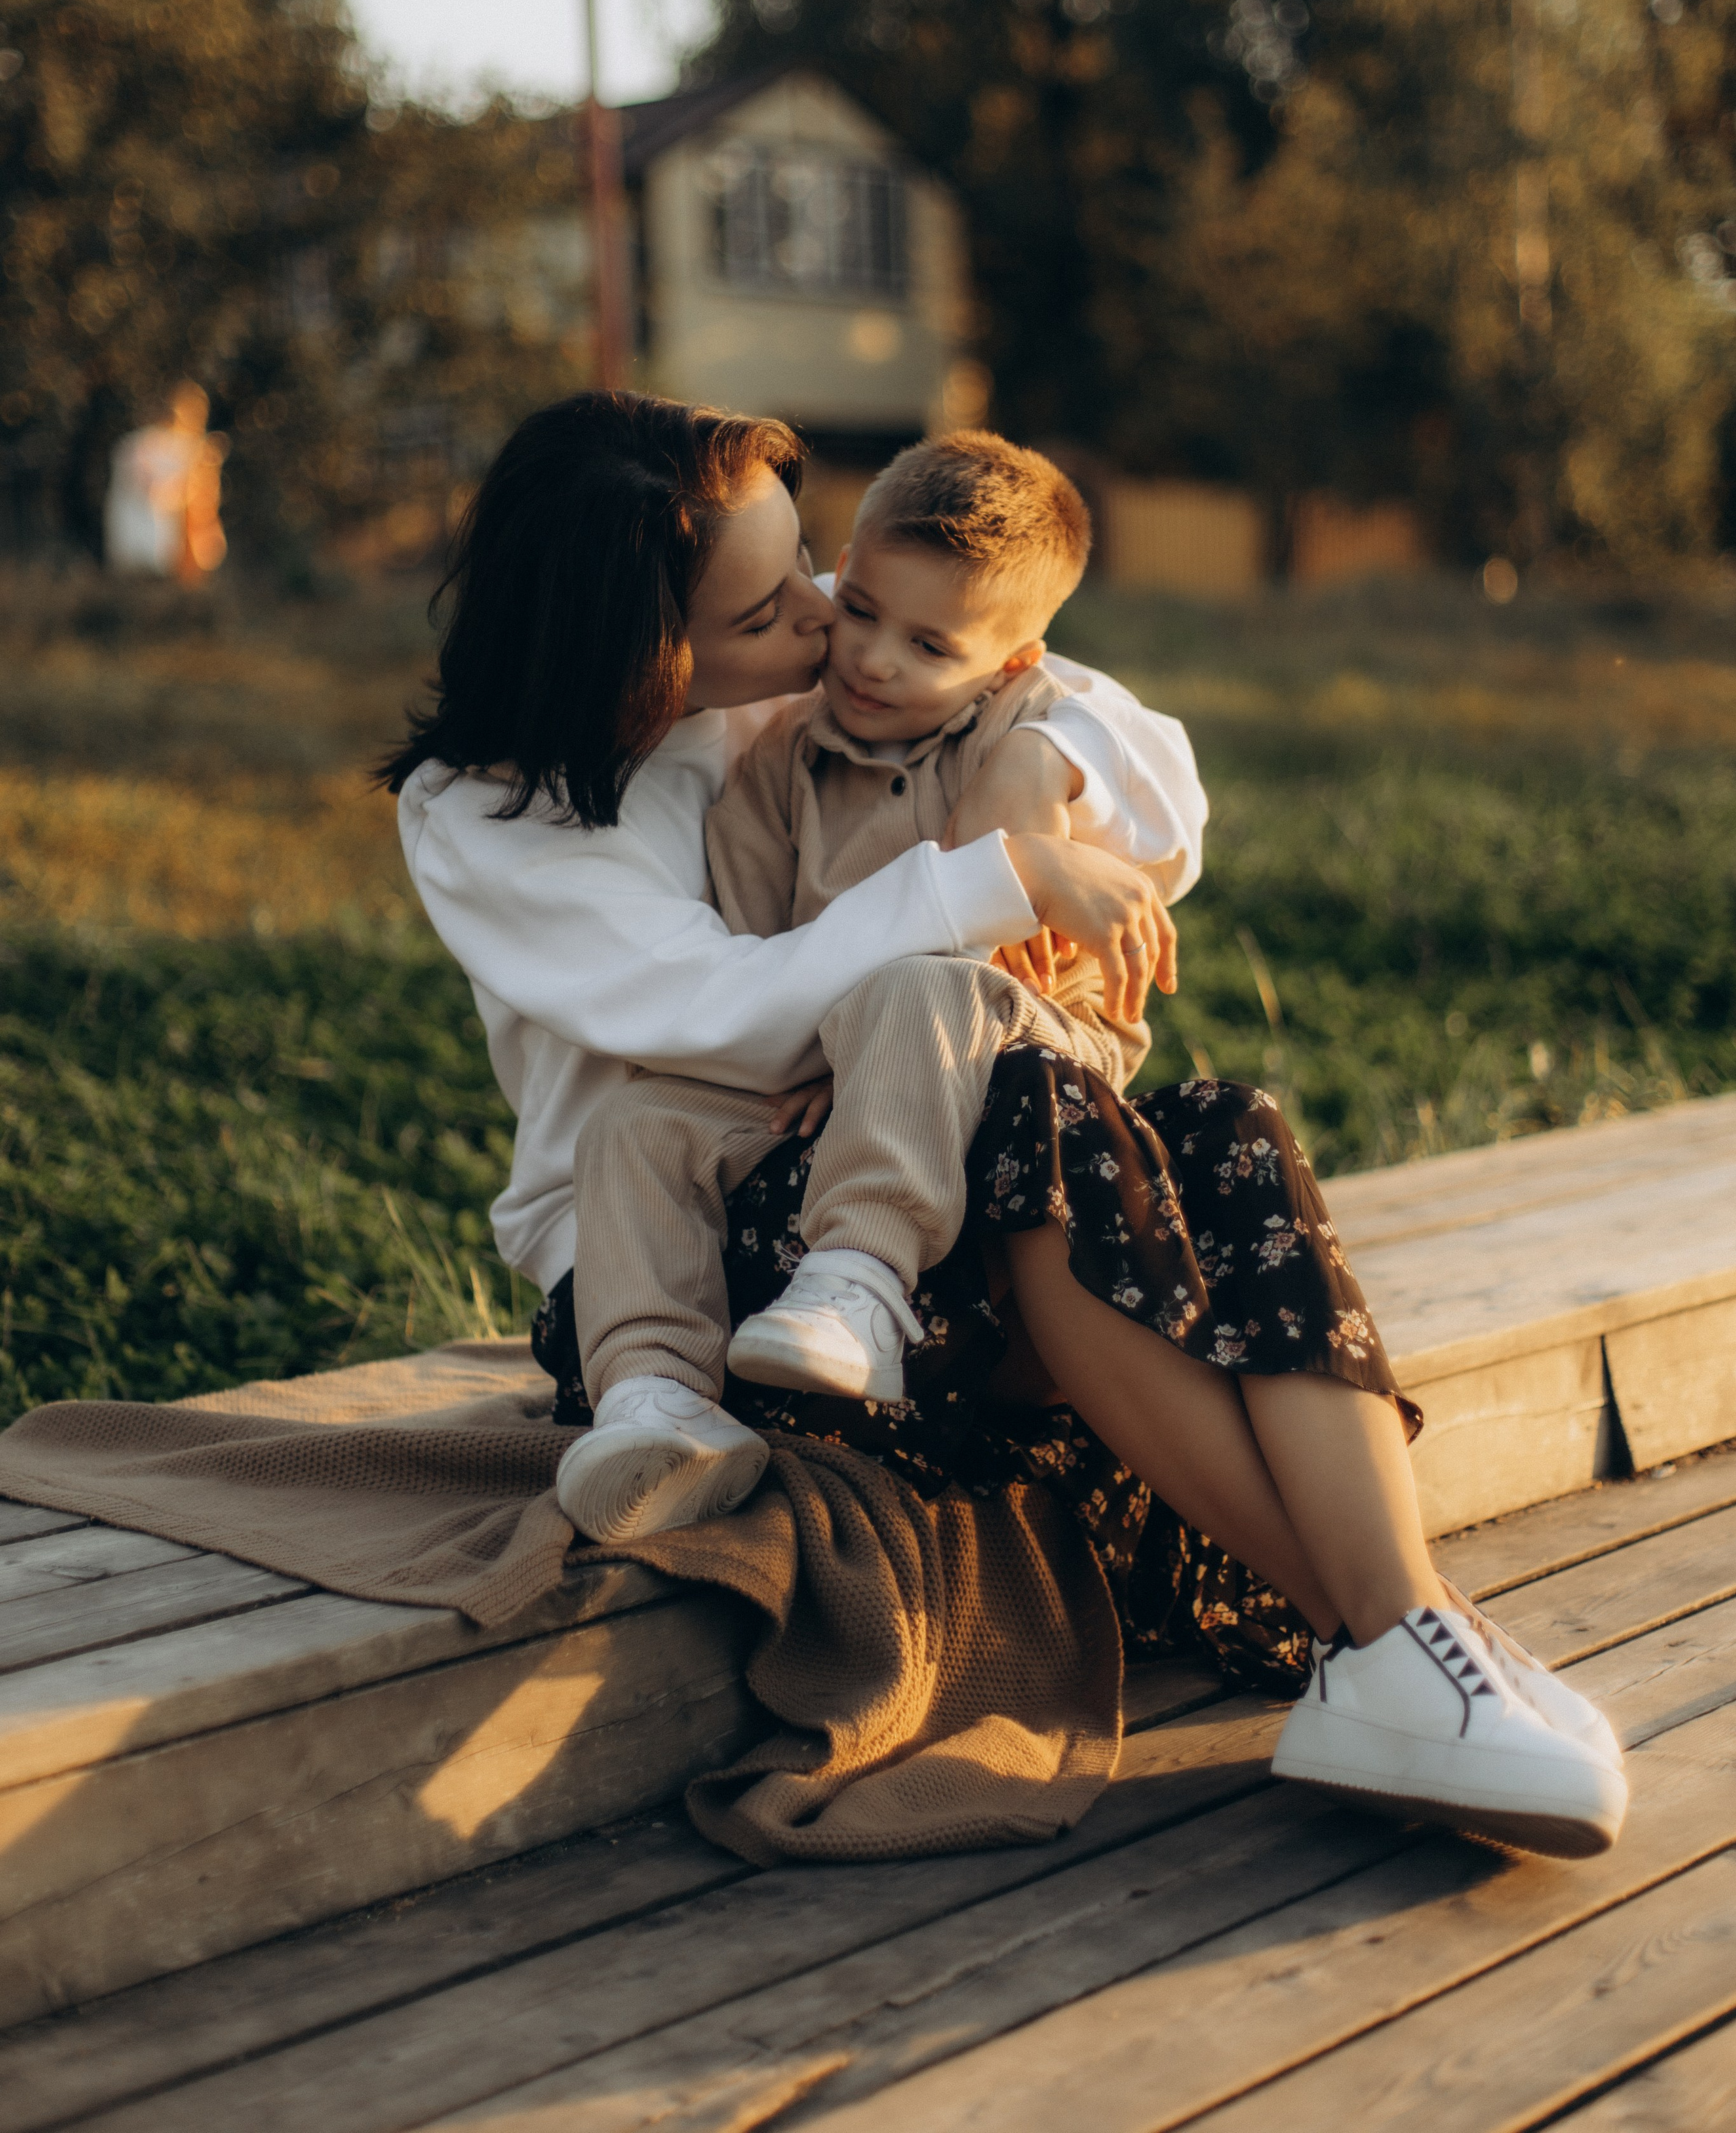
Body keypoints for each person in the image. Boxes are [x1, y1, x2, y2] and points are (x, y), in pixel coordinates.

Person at [384, 388, 1626, 1862]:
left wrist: (1046, 769)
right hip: (684, 1259)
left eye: (813, 571)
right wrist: (1004, 876)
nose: (828, 614)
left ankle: (1405, 1640)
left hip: (905, 1173)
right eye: (776, 603)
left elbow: (1113, 745)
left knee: (1221, 1123)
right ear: (646, 653)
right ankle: (1401, 1638)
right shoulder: (487, 815)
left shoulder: (810, 659)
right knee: (1036, 1113)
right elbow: (727, 1016)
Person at [556, 432, 1179, 1545]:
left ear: (1013, 659)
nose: (877, 660)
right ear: (846, 569)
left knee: (915, 990)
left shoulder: (1029, 741)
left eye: (929, 645)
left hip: (1027, 1052)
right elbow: (756, 969)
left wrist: (1046, 778)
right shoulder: (780, 765)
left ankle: (859, 1283)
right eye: (867, 613)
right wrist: (808, 1063)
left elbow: (1150, 802)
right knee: (635, 1120)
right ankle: (655, 1398)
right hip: (833, 1063)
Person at [103, 382, 229, 583]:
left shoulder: (133, 446)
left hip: (143, 553)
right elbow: (157, 493)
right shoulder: (164, 451)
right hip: (154, 551)